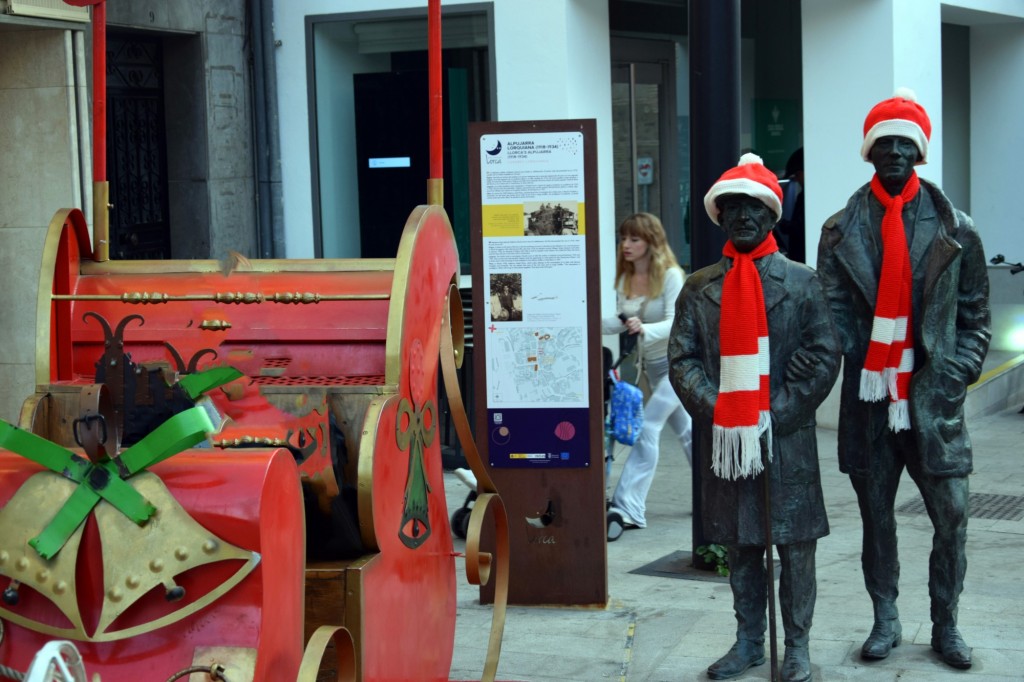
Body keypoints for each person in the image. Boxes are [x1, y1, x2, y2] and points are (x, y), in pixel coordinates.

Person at [817, 88, 991, 670]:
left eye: (904, 143)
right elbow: (832, 309)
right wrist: (862, 359)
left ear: (919, 152)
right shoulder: (840, 229)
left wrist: (955, 374)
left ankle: (947, 624)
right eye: (883, 143)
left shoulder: (956, 228)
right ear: (869, 153)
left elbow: (975, 318)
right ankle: (885, 617)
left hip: (932, 399)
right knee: (876, 515)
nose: (893, 151)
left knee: (954, 513)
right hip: (871, 397)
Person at [669, 154, 839, 682]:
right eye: (732, 207)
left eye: (754, 207)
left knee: (795, 548)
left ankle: (800, 646)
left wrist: (780, 410)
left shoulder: (802, 281)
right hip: (729, 438)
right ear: (719, 217)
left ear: (772, 214)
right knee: (742, 546)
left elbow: (822, 351)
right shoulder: (700, 287)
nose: (743, 216)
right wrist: (722, 408)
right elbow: (683, 359)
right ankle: (747, 641)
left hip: (786, 439)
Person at [603, 212, 692, 542]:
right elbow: (620, 321)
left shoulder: (670, 275)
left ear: (651, 242)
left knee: (647, 428)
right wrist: (580, 321)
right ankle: (717, 491)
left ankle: (629, 508)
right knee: (686, 430)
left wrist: (646, 328)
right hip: (651, 367)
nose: (626, 244)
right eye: (624, 238)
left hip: (679, 365)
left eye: (634, 239)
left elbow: (677, 321)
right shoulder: (625, 278)